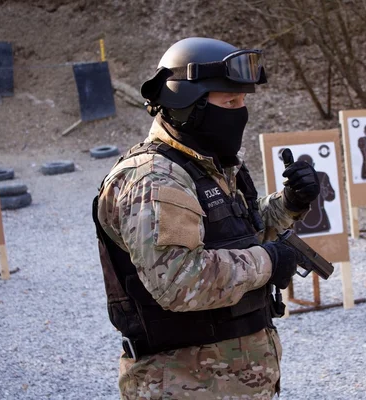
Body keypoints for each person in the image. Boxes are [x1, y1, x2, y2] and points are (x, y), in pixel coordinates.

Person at [92, 37, 320, 399]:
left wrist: (290, 202)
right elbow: (179, 280)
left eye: (243, 101)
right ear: (188, 106)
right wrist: (268, 261)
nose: (240, 111)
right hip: (184, 386)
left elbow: (236, 231)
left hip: (230, 382)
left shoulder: (212, 166)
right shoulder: (155, 178)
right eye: (230, 102)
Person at [293, 154, 335, 235]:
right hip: (301, 224)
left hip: (321, 220)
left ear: (313, 165)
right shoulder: (293, 180)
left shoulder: (322, 176)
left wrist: (326, 194)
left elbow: (331, 196)